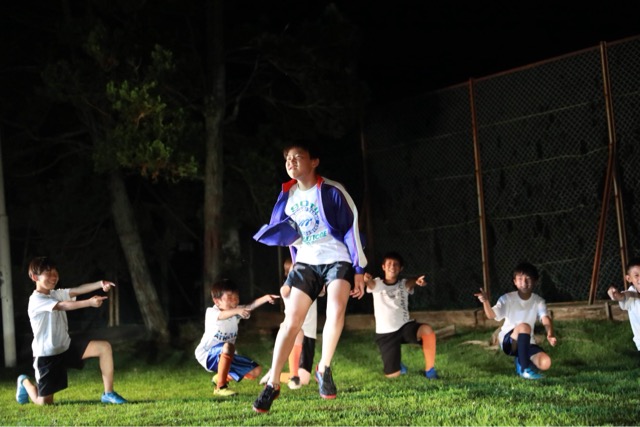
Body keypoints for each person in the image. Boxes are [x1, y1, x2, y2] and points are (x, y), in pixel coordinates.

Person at [251, 141, 367, 413]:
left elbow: (352, 228)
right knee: (291, 321)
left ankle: (323, 368)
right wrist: (293, 268)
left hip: (337, 257)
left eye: (297, 157)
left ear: (314, 161)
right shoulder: (288, 197)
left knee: (336, 308)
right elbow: (290, 236)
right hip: (306, 262)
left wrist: (359, 270)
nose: (290, 162)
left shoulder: (332, 190)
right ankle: (273, 383)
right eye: (287, 159)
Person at [15, 256, 127, 405]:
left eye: (55, 272)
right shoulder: (36, 300)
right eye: (48, 273)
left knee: (104, 347)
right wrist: (89, 302)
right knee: (44, 403)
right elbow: (63, 306)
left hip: (66, 347)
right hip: (47, 355)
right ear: (35, 277)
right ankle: (24, 382)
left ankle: (108, 393)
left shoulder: (55, 294)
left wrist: (100, 283)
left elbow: (78, 290)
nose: (54, 277)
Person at [194, 278, 279, 397]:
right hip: (207, 355)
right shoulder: (212, 312)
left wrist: (266, 298)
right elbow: (223, 315)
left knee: (255, 371)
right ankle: (220, 387)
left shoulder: (235, 313)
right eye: (230, 297)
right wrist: (238, 310)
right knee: (228, 346)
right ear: (217, 301)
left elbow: (250, 306)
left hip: (227, 354)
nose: (234, 300)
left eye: (236, 297)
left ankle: (220, 377)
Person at [474, 261, 557, 379]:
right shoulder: (507, 299)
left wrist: (550, 334)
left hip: (527, 342)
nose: (524, 283)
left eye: (528, 279)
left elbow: (545, 319)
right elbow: (491, 315)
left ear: (535, 281)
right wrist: (485, 301)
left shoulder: (538, 301)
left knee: (545, 362)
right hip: (509, 342)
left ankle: (520, 360)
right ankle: (524, 368)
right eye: (520, 279)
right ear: (515, 282)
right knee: (524, 327)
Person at [364, 251, 438, 379]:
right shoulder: (377, 284)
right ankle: (396, 363)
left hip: (404, 327)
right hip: (386, 334)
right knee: (393, 375)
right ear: (383, 267)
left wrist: (417, 281)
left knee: (426, 330)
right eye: (389, 264)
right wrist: (366, 280)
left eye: (396, 264)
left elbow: (411, 282)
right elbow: (370, 284)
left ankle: (430, 370)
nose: (392, 267)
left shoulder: (403, 284)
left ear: (401, 268)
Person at [260, 258, 318, 389]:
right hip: (296, 332)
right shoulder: (288, 289)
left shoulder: (311, 285)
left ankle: (276, 374)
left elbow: (322, 290)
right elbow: (284, 292)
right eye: (295, 270)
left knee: (304, 380)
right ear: (288, 274)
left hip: (309, 335)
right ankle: (292, 376)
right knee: (298, 333)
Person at [607, 257, 640, 352]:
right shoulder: (631, 295)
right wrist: (616, 294)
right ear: (629, 278)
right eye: (636, 275)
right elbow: (623, 296)